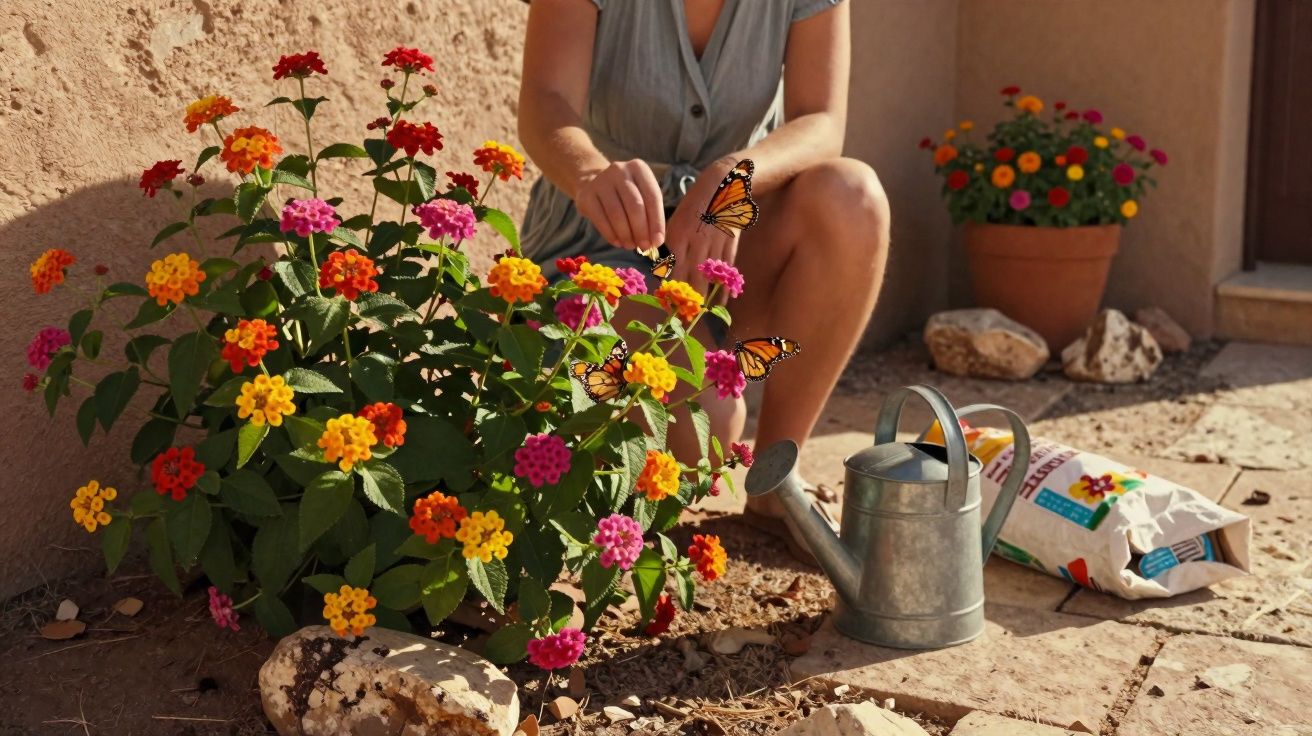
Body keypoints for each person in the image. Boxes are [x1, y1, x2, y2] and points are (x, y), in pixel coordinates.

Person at [517, 0, 889, 551]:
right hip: (603, 248)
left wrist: (732, 176)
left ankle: (775, 480)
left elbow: (822, 121)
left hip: (732, 247)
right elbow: (544, 103)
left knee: (851, 196)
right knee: (703, 430)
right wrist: (591, 174)